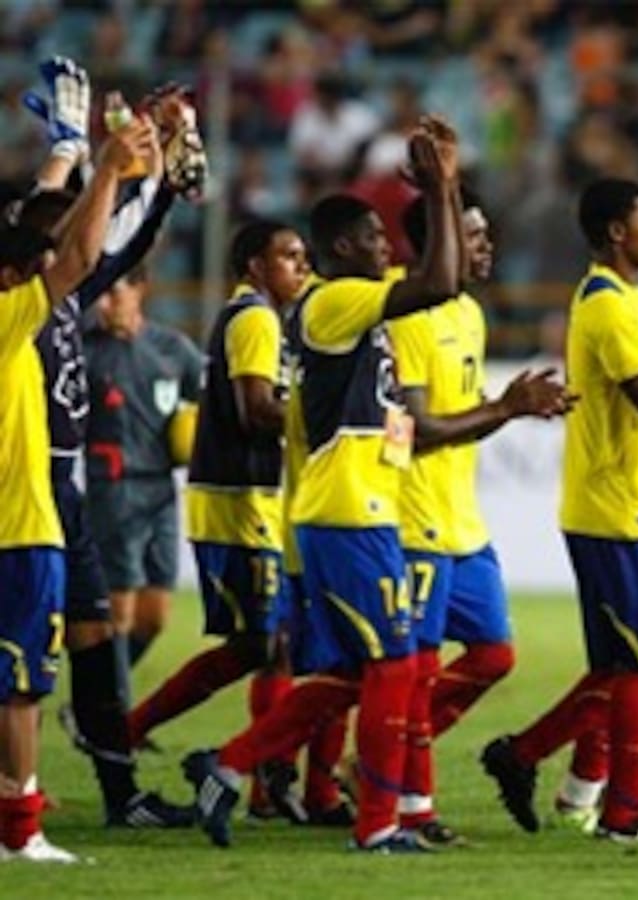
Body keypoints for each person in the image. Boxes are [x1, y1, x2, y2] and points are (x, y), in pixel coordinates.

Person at [182, 117, 463, 854]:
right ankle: (377, 827)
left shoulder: (349, 313)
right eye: (374, 238)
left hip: (353, 510)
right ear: (344, 250)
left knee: (346, 675)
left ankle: (228, 764)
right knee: (396, 666)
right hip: (346, 515)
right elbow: (441, 279)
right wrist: (440, 189)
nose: (385, 247)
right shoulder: (336, 300)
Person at [481, 177, 638, 841]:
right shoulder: (608, 304)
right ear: (619, 232)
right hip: (617, 509)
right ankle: (623, 815)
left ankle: (528, 755)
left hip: (635, 504)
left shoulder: (632, 301)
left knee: (629, 665)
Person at [18, 59, 197, 829]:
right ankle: (18, 797)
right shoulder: (28, 299)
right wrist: (90, 157)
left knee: (93, 639)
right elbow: (83, 242)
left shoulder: (63, 290)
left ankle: (121, 797)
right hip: (22, 490)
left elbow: (117, 246)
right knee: (23, 657)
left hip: (64, 491)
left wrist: (148, 180)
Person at [390, 188, 570, 844]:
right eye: (472, 234)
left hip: (460, 517)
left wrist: (510, 407)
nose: (487, 244)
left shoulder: (467, 312)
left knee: (494, 654)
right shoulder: (406, 318)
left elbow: (463, 424)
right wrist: (507, 408)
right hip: (414, 519)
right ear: (436, 243)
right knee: (414, 673)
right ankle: (412, 807)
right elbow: (412, 428)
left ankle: (378, 763)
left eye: (487, 232)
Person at [0, 114, 156, 863]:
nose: (46, 274)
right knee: (22, 685)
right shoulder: (8, 317)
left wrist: (68, 158)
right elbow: (79, 254)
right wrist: (108, 168)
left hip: (31, 514)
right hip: (20, 525)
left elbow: (46, 239)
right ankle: (20, 834)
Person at [125, 221, 310, 771]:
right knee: (266, 644)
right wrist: (316, 414)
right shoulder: (255, 318)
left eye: (304, 256)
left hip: (247, 496)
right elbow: (257, 410)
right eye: (289, 256)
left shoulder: (257, 315)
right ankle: (133, 731)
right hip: (237, 500)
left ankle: (261, 779)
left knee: (269, 646)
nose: (302, 266)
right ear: (255, 264)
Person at [83, 263, 205, 676]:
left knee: (154, 616)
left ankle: (98, 703)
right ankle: (110, 723)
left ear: (140, 290)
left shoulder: (172, 348)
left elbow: (209, 396)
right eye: (99, 294)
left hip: (161, 492)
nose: (103, 304)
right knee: (119, 612)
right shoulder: (86, 352)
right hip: (112, 489)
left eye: (113, 293)